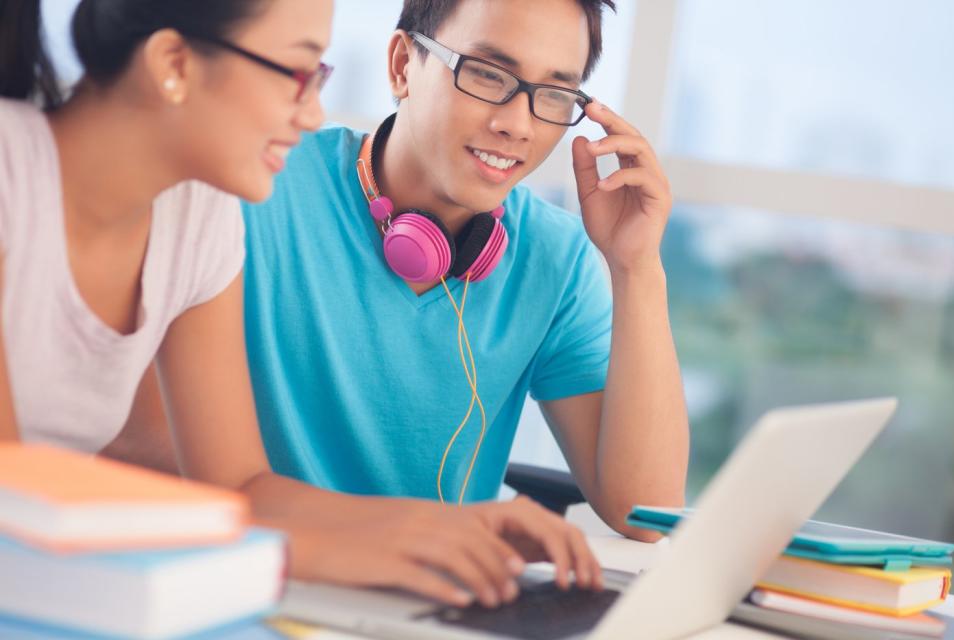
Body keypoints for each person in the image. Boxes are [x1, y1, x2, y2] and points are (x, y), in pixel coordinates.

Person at [0, 0, 599, 609]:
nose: (313, 112)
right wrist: (360, 546)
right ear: (174, 63)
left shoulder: (198, 219)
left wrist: (437, 531)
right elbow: (11, 498)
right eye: (295, 73)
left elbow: (238, 489)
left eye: (320, 79)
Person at [238, 0, 690, 539]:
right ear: (404, 66)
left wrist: (637, 267)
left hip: (439, 598)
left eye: (553, 94)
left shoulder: (555, 257)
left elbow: (647, 514)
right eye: (487, 75)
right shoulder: (258, 188)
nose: (517, 125)